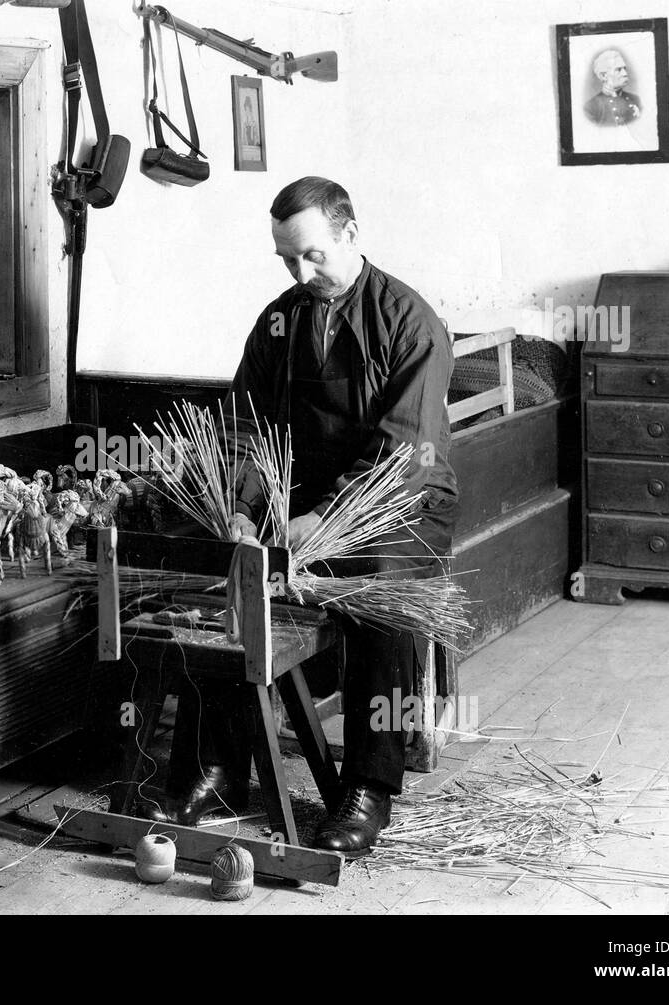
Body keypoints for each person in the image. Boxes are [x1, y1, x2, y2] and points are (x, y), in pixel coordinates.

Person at [143, 177, 458, 856]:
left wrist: (323, 516)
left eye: (312, 255)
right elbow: (245, 430)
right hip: (294, 507)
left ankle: (369, 786)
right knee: (223, 564)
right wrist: (240, 508)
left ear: (350, 232)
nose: (301, 272)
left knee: (380, 582)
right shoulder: (278, 322)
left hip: (397, 505)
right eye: (287, 259)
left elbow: (407, 452)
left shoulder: (409, 322)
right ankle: (213, 764)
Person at [583, 49, 641, 127]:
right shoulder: (591, 108)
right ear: (603, 76)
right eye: (618, 70)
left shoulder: (636, 100)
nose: (625, 74)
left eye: (625, 69)